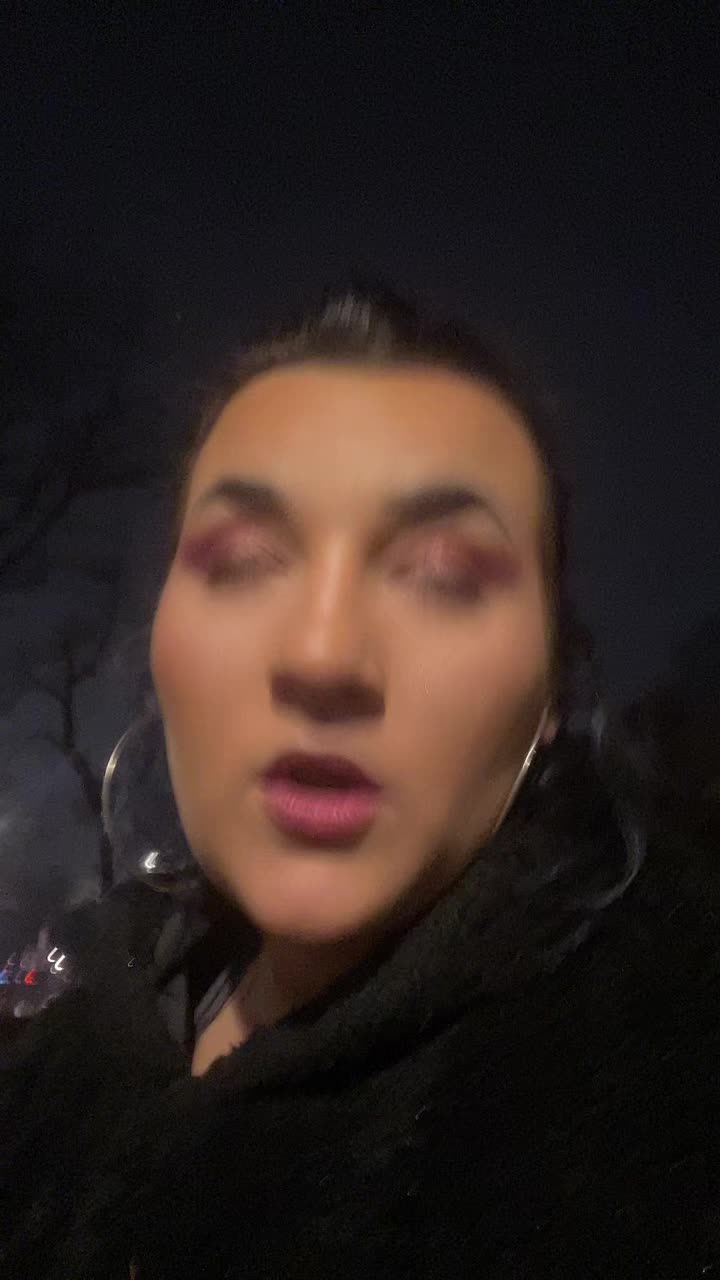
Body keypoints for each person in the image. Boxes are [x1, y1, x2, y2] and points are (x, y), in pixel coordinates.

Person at [2, 285, 718, 1279]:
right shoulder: (62, 1053)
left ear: (553, 692)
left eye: (445, 574)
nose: (324, 653)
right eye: (242, 561)